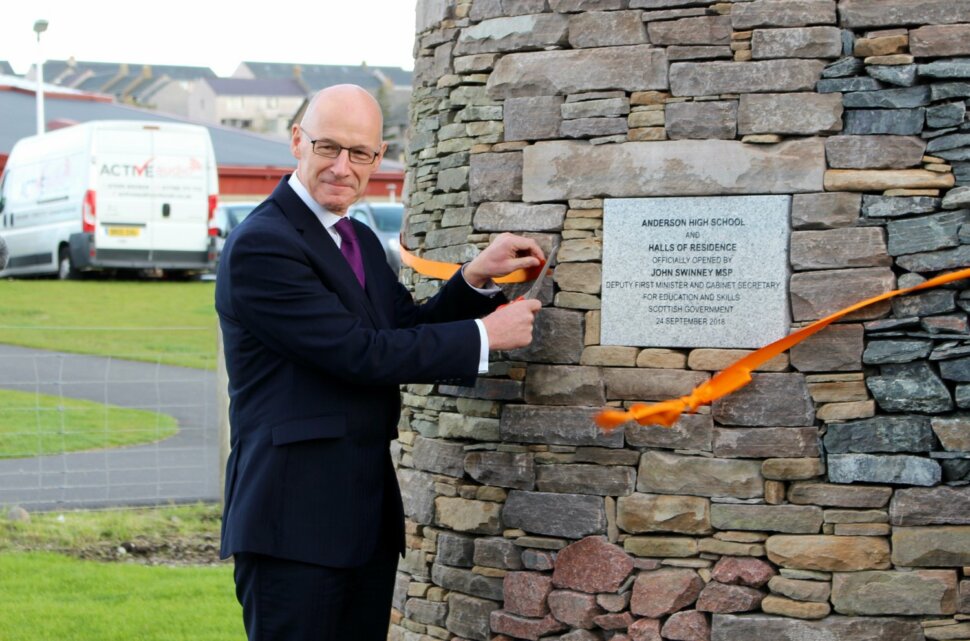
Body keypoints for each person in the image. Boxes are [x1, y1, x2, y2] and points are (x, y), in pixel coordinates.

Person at [215, 84, 544, 641]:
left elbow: (403, 329)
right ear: (297, 141)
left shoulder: (359, 239)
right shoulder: (262, 245)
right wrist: (483, 335)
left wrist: (473, 279)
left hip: (361, 520)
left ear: (378, 155)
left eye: (360, 153)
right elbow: (357, 354)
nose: (343, 167)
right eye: (328, 147)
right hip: (292, 525)